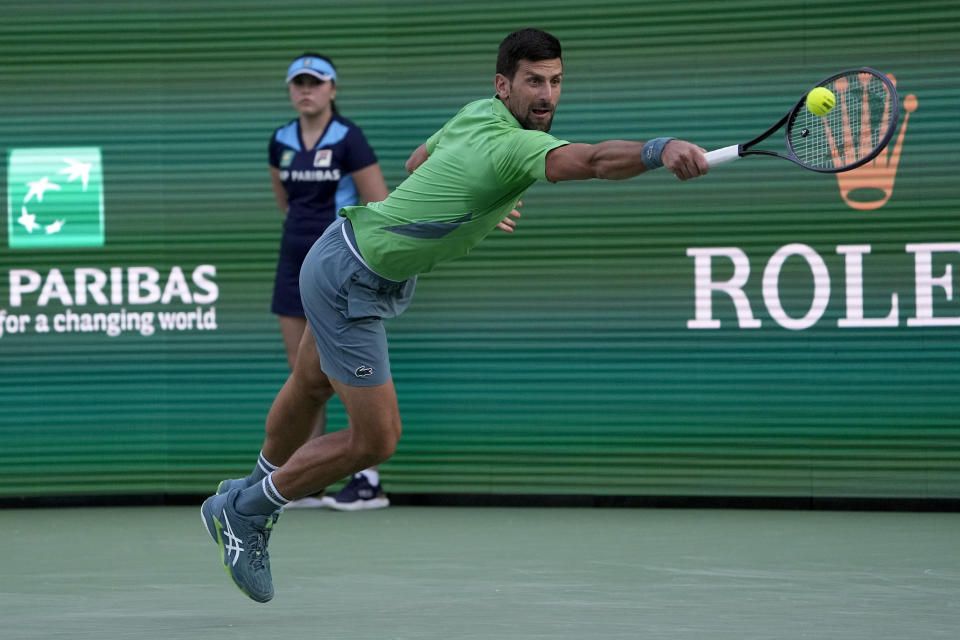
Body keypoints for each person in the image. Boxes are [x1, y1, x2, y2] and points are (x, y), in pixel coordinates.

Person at [201, 28, 710, 603]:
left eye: (557, 81)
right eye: (534, 82)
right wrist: (657, 147)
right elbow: (591, 161)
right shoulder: (516, 148)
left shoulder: (475, 114)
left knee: (311, 382)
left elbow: (419, 161)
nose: (547, 95)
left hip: (339, 250)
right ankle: (246, 511)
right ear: (504, 84)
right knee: (377, 439)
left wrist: (482, 204)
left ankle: (245, 487)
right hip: (352, 278)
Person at [267, 52, 391, 510]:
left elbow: (379, 203)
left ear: (332, 90)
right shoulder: (279, 140)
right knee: (303, 379)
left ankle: (367, 479)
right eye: (298, 82)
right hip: (292, 265)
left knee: (346, 375)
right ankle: (306, 481)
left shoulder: (348, 138)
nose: (306, 90)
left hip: (339, 269)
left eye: (316, 83)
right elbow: (286, 202)